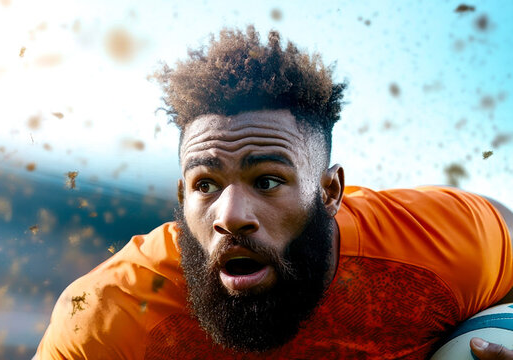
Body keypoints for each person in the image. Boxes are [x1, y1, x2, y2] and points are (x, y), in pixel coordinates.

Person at [35, 26, 513, 359]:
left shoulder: (445, 243)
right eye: (206, 185)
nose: (232, 215)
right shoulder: (108, 318)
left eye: (266, 180)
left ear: (329, 191)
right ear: (181, 198)